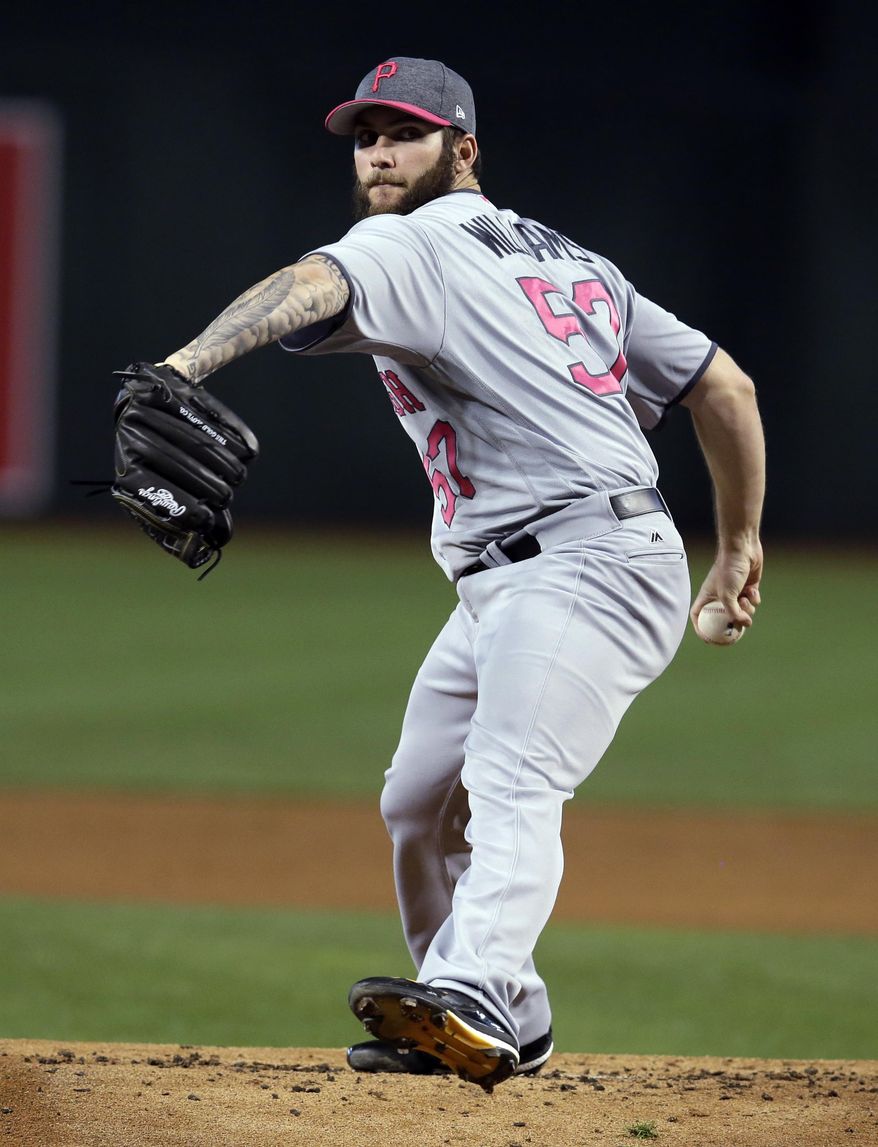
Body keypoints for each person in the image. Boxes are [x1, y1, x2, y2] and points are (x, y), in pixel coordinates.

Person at [154, 56, 765, 1090]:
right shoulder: (575, 261)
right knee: (417, 806)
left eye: (403, 133)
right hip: (517, 575)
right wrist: (739, 541)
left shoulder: (406, 242)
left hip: (588, 560)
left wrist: (179, 370)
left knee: (511, 778)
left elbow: (317, 283)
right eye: (365, 136)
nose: (379, 154)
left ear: (462, 148)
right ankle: (507, 1017)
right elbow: (723, 385)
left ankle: (473, 984)